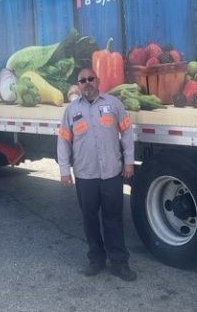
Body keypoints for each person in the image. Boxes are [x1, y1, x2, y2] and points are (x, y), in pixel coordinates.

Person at [57, 68, 137, 281]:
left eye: (90, 79)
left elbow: (127, 132)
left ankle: (119, 263)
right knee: (89, 220)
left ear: (98, 80)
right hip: (85, 176)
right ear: (79, 85)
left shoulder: (113, 104)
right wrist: (65, 170)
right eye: (82, 80)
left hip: (111, 173)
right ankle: (96, 260)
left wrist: (129, 161)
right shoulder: (71, 110)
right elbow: (64, 141)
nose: (87, 83)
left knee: (114, 219)